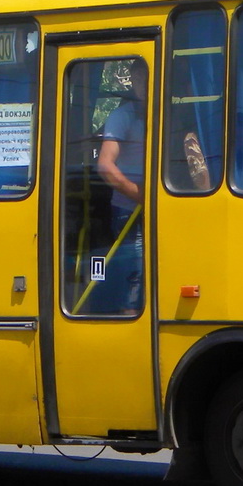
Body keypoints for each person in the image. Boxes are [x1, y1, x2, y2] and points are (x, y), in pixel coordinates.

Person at [96, 65, 147, 314]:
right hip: (130, 211)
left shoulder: (173, 113)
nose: (144, 81)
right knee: (135, 275)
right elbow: (105, 165)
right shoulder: (123, 116)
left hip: (166, 206)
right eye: (139, 75)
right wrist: (141, 196)